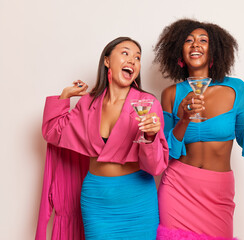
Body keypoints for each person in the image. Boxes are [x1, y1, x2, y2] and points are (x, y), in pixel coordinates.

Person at [153, 19, 244, 239]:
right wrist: (184, 118)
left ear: (214, 50)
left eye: (203, 40)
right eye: (188, 40)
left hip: (218, 191)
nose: (195, 44)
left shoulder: (236, 88)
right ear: (180, 52)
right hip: (177, 187)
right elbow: (167, 151)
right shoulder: (171, 94)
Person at [41, 37, 169, 239]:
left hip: (137, 200)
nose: (133, 61)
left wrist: (151, 136)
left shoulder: (147, 103)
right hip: (96, 200)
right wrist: (65, 96)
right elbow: (53, 132)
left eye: (137, 57)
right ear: (107, 61)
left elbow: (155, 167)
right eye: (125, 53)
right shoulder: (88, 103)